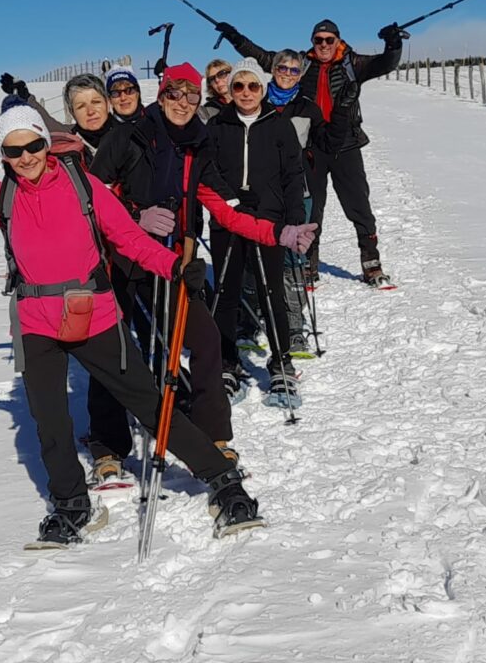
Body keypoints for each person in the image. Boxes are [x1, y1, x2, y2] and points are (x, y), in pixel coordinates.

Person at [0, 50, 260, 543]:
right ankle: (72, 505)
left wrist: (173, 267)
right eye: (13, 151)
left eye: (33, 145)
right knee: (49, 423)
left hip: (96, 316)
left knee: (152, 405)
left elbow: (128, 239)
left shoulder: (84, 187)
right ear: (3, 155)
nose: (25, 157)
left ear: (45, 143)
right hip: (37, 324)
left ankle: (223, 481)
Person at [88, 62, 316, 478]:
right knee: (113, 348)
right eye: (174, 94)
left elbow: (225, 208)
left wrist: (279, 233)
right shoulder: (126, 137)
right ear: (161, 96)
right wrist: (134, 216)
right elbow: (91, 197)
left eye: (191, 95)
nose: (183, 103)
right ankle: (108, 449)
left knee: (206, 339)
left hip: (172, 260)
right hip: (120, 259)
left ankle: (215, 437)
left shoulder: (197, 145)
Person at [213, 18, 404, 286]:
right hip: (313, 145)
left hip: (346, 144)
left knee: (358, 205)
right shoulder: (302, 63)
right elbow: (263, 57)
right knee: (312, 207)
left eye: (329, 40)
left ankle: (371, 263)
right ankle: (308, 265)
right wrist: (236, 37)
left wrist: (393, 44)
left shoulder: (353, 62)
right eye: (318, 40)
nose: (323, 44)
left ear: (338, 40)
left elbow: (386, 63)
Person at [207, 57, 306, 408]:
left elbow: (293, 175)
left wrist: (294, 218)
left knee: (270, 290)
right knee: (226, 291)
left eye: (252, 86)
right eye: (238, 85)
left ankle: (281, 362)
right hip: (228, 218)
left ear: (263, 89)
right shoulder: (217, 125)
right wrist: (232, 200)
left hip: (268, 220)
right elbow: (208, 170)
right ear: (231, 90)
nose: (246, 92)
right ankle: (228, 362)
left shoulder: (279, 126)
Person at [265, 49, 329, 356]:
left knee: (293, 259)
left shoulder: (307, 108)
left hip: (297, 192)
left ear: (301, 74)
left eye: (294, 70)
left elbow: (324, 146)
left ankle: (294, 326)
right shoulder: (258, 101)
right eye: (283, 68)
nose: (287, 74)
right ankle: (257, 318)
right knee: (261, 257)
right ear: (273, 69)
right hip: (264, 192)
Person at [0, 72, 115, 168]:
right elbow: (16, 139)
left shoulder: (129, 134)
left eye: (96, 102)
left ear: (108, 103)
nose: (90, 111)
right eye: (81, 106)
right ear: (72, 112)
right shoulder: (67, 139)